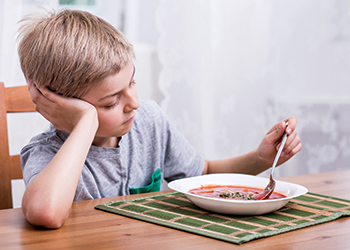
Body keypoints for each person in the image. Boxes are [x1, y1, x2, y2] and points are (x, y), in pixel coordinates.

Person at [17, 9, 302, 229]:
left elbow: (201, 175)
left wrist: (260, 159)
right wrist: (86, 122)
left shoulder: (148, 121)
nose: (134, 103)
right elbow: (46, 212)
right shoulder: (46, 153)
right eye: (111, 101)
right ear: (62, 104)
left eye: (133, 83)